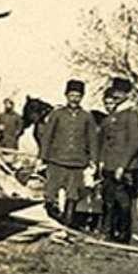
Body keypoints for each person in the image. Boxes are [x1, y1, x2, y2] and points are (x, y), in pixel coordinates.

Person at [36, 79, 99, 224]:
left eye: (78, 96)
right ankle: (53, 218)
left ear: (82, 97)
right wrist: (41, 157)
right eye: (72, 95)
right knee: (50, 194)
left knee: (73, 195)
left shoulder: (87, 117)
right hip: (56, 160)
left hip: (77, 162)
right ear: (66, 95)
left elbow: (92, 140)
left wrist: (93, 160)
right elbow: (47, 137)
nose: (74, 99)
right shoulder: (57, 114)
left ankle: (67, 222)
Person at [99, 77, 138, 244]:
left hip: (124, 167)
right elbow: (105, 142)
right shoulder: (112, 117)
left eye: (121, 92)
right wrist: (101, 162)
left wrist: (122, 166)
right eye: (115, 92)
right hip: (110, 165)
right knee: (109, 201)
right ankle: (110, 233)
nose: (117, 95)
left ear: (126, 94)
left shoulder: (131, 115)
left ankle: (124, 236)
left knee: (124, 202)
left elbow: (135, 143)